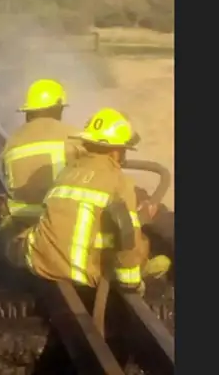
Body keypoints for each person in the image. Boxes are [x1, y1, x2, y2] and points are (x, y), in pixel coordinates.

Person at [12, 108, 170, 294]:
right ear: (116, 152)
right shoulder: (119, 183)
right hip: (82, 273)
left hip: (41, 262)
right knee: (146, 248)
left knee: (11, 230)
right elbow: (127, 237)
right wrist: (132, 283)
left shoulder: (67, 173)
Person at [0, 79, 84, 261]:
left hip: (23, 223)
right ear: (58, 109)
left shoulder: (12, 142)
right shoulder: (75, 136)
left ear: (28, 113)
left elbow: (7, 178)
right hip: (64, 223)